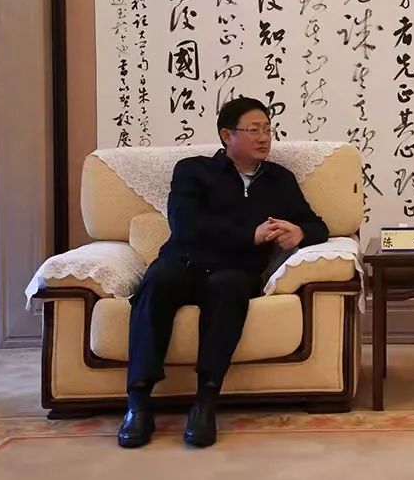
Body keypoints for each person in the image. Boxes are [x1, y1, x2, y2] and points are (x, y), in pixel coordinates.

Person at [118, 97, 329, 448]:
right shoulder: (193, 170)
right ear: (226, 135)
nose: (264, 137)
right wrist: (250, 235)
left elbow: (318, 225)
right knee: (156, 282)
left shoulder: (279, 180)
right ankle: (138, 403)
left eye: (268, 129)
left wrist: (300, 232)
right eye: (254, 130)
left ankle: (205, 403)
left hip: (236, 270)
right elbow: (185, 226)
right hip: (183, 262)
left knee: (228, 288)